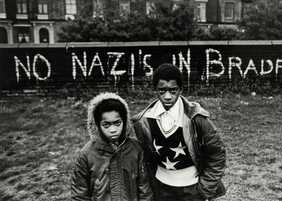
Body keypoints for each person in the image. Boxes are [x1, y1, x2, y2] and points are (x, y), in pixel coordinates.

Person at [132, 63, 226, 201]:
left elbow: (217, 154)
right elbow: (144, 159)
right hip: (161, 187)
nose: (168, 96)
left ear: (181, 89)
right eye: (162, 90)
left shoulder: (196, 118)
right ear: (155, 89)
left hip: (192, 188)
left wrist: (205, 188)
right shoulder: (144, 121)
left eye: (173, 90)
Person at [71, 92, 153, 201]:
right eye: (106, 125)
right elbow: (79, 194)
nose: (113, 130)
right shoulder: (86, 154)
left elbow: (144, 189)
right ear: (97, 124)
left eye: (117, 123)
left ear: (125, 121)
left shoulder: (136, 149)